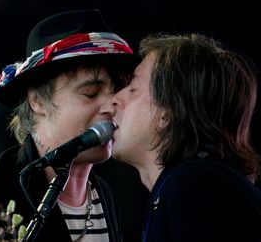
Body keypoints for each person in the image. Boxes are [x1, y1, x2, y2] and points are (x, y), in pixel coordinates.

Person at [0, 9, 141, 242]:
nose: (112, 106)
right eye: (90, 93)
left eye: (117, 91)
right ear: (38, 100)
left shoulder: (104, 195)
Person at [111, 33, 261, 242]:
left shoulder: (197, 189)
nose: (115, 100)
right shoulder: (188, 185)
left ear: (168, 111)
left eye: (133, 89)